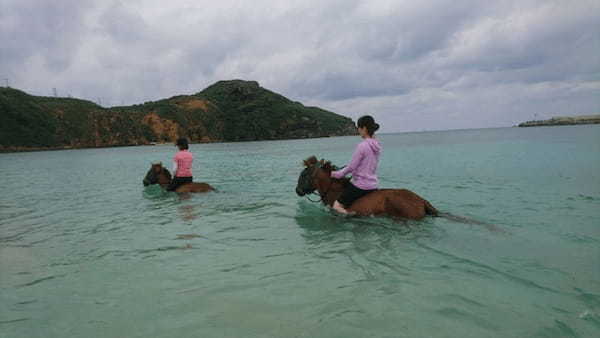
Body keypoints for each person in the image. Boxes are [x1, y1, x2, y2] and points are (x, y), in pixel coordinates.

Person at [330, 115, 382, 214]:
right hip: (373, 185)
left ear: (364, 128)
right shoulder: (377, 145)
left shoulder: (362, 146)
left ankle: (349, 217)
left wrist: (335, 174)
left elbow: (351, 167)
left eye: (359, 127)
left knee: (336, 205)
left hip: (360, 186)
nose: (358, 130)